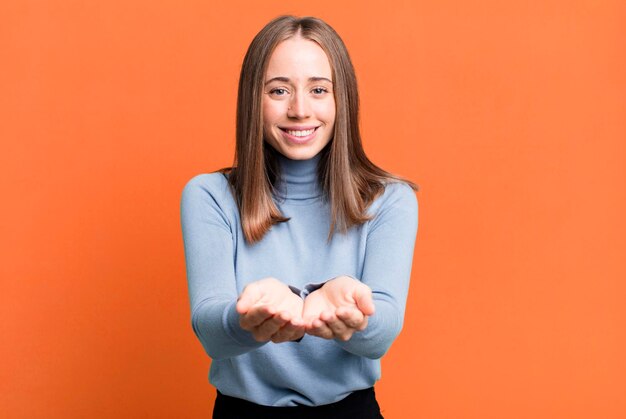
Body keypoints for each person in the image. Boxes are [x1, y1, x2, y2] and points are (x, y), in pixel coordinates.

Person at [180, 15, 418, 419]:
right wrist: (249, 318)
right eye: (278, 90)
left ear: (342, 99)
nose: (299, 110)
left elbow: (383, 333)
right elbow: (211, 331)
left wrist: (352, 314)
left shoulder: (389, 199)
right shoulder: (209, 196)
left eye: (319, 89)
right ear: (252, 99)